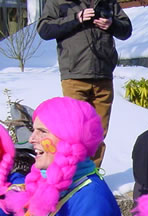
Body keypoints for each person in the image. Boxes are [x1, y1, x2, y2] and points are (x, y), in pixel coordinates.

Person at [37, 0, 133, 167]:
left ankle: (92, 174)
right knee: (74, 133)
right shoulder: (59, 1)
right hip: (75, 76)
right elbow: (44, 29)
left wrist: (111, 24)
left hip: (103, 75)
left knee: (98, 134)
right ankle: (72, 174)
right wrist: (76, 18)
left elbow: (126, 30)